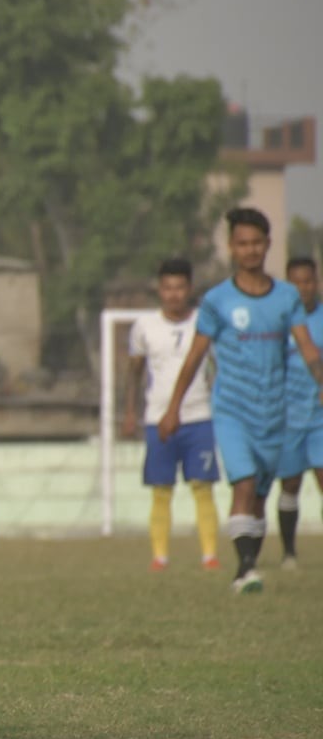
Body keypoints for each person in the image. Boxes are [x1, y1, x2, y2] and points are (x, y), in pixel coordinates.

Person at [160, 208, 323, 594]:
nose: (250, 250)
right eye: (242, 243)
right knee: (243, 484)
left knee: (260, 495)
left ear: (267, 245)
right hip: (233, 410)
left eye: (256, 243)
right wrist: (173, 408)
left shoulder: (285, 297)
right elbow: (196, 356)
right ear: (231, 248)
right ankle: (246, 568)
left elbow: (307, 348)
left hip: (274, 411)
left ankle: (249, 560)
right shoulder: (217, 301)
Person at [122, 257, 221, 572]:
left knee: (202, 486)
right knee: (161, 489)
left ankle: (209, 556)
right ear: (159, 290)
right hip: (157, 419)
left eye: (180, 288)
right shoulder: (145, 327)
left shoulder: (203, 324)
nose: (174, 294)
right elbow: (135, 373)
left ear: (189, 289)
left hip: (199, 416)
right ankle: (160, 558)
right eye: (168, 288)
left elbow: (218, 368)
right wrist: (129, 412)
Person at [271, 255, 323, 567]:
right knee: (290, 483)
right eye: (296, 282)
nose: (303, 287)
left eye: (309, 281)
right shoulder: (277, 320)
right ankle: (288, 552)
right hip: (287, 416)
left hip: (319, 416)